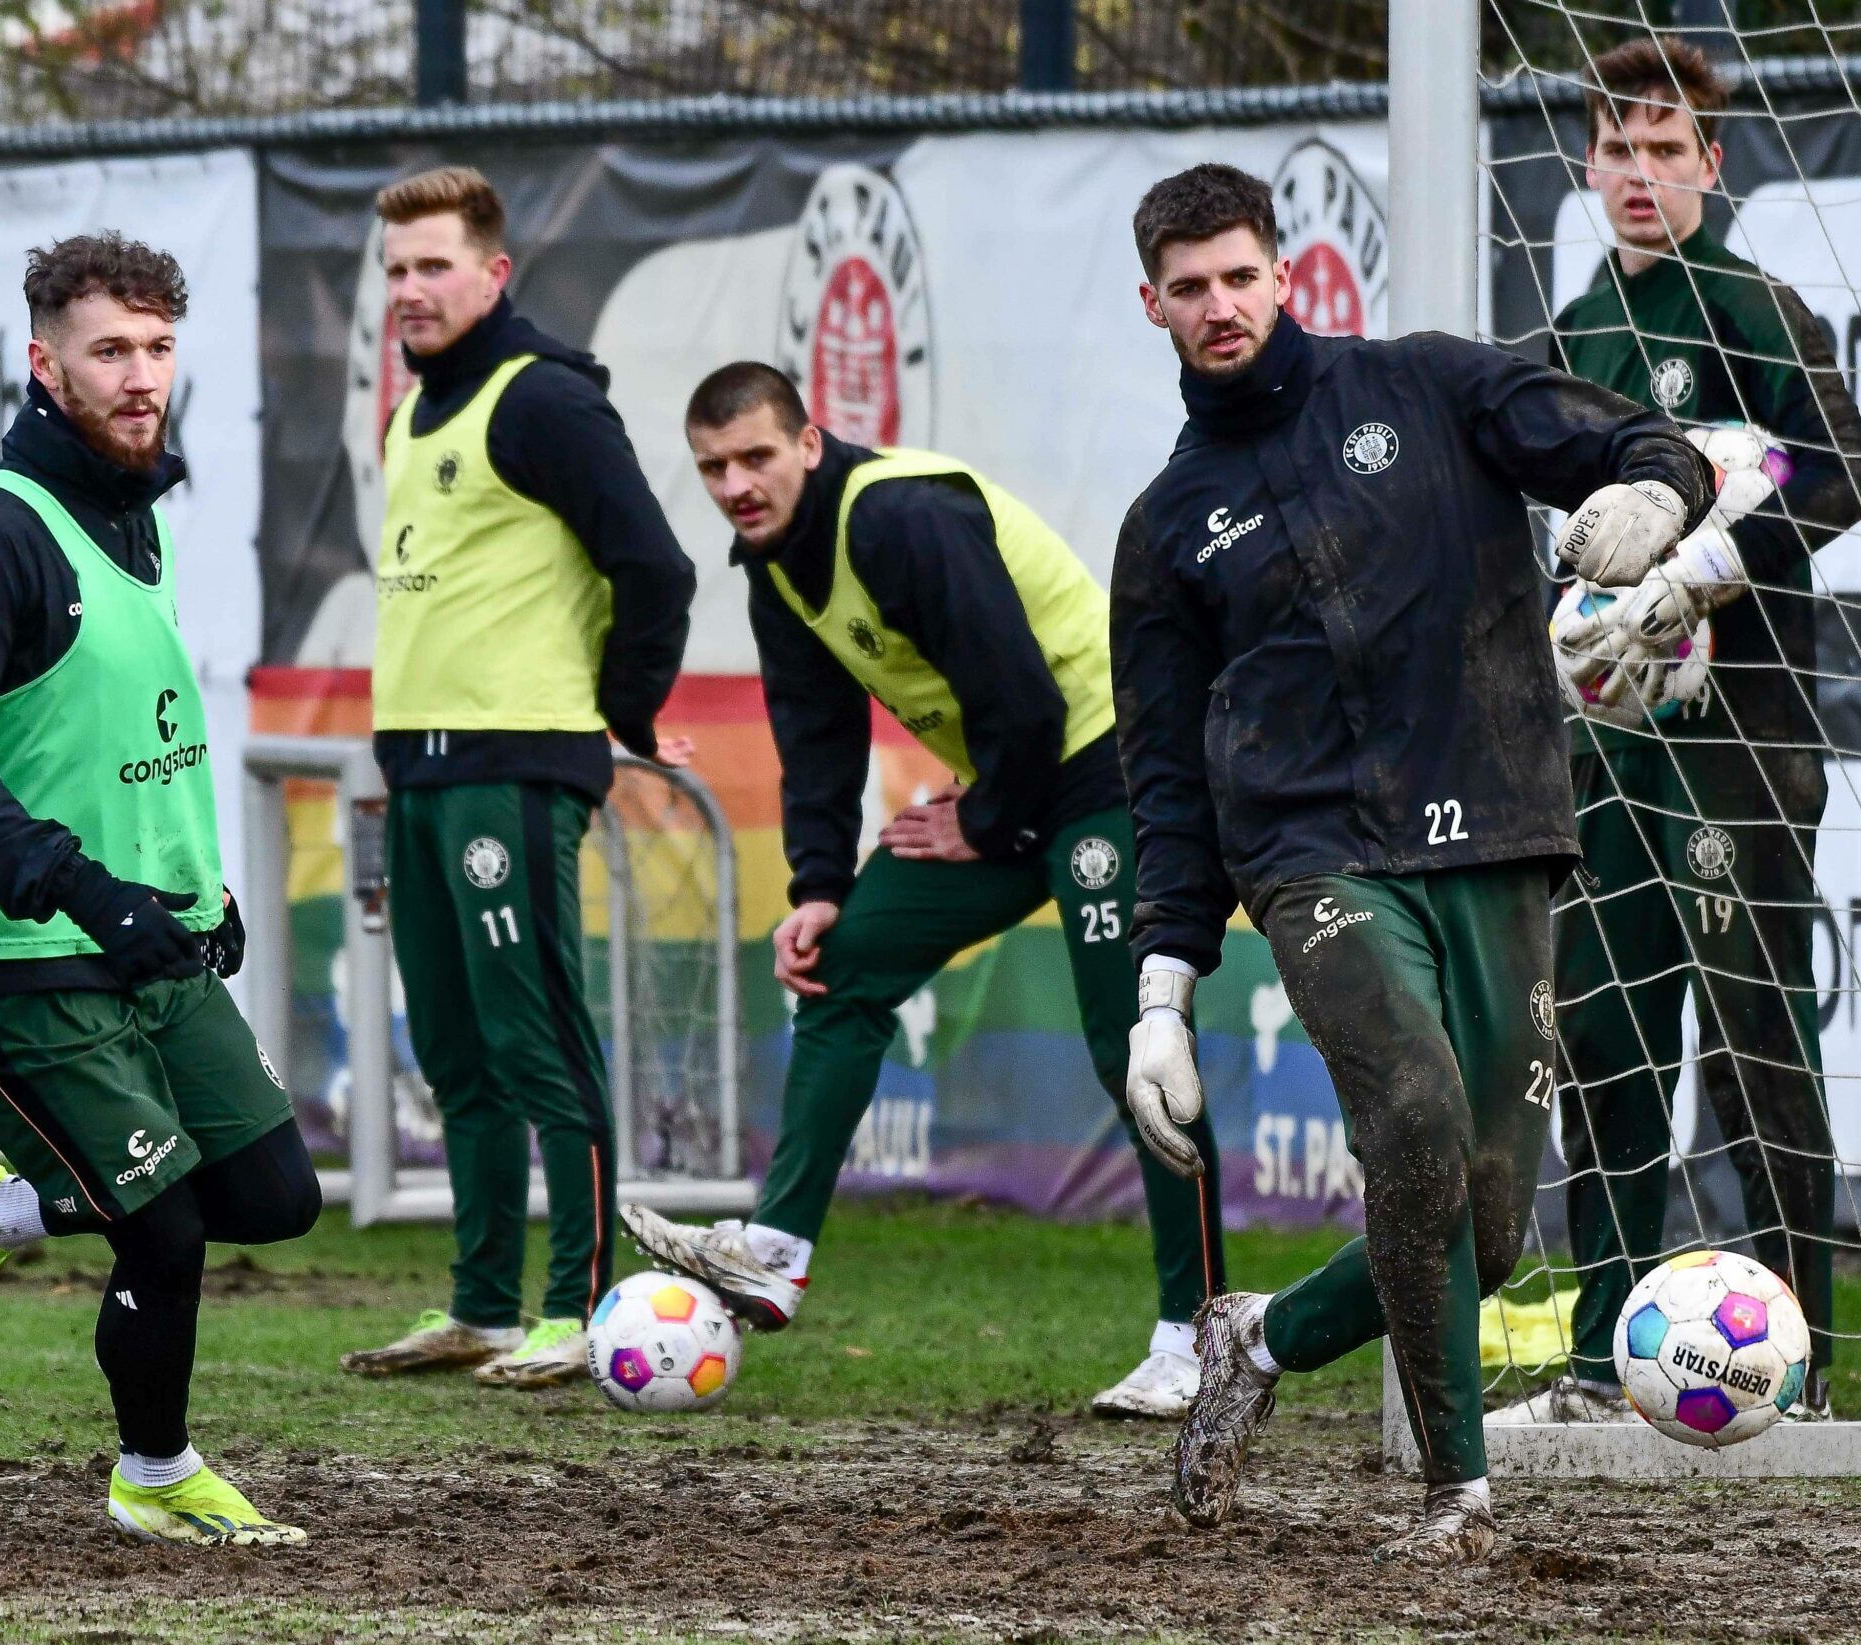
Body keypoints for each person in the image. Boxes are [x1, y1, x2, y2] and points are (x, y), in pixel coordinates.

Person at [1112, 163, 1712, 1560]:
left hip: (1499, 823)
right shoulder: (1166, 528)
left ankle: (1260, 1338)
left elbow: (1642, 444)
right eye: (1188, 288)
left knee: (1484, 1227)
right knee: (1419, 1120)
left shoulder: (1430, 387)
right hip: (1312, 853)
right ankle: (1460, 1498)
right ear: (1156, 304)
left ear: (1285, 275)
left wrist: (1654, 499)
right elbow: (1164, 776)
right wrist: (1162, 983)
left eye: (1238, 276)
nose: (1219, 306)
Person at [623, 363, 1227, 1421]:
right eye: (714, 466)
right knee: (842, 957)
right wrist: (815, 887)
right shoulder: (773, 566)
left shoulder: (904, 515)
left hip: (1105, 769)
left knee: (1131, 1048)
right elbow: (815, 741)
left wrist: (982, 818)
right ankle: (773, 1249)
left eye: (756, 455)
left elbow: (1027, 702)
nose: (736, 483)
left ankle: (1203, 1332)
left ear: (810, 443)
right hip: (1015, 785)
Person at [1488, 36, 1861, 1428]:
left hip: (1743, 747)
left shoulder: (1753, 307)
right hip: (1607, 755)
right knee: (1603, 1037)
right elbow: (1541, 535)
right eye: (1619, 147)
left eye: (1669, 150)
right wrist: (1571, 617)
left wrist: (1699, 573)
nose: (1642, 173)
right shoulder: (1578, 331)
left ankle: (1804, 1365)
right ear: (1589, 162)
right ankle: (1601, 1357)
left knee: (1759, 1043)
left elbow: (1851, 471)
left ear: (1712, 167)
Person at [0, 234, 319, 1545]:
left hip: (153, 943)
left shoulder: (127, 514)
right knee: (170, 1225)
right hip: (19, 964)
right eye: (109, 351)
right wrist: (85, 892)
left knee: (275, 1199)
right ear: (45, 363)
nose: (140, 377)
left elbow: (126, 737)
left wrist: (196, 897)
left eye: (156, 349)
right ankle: (155, 1472)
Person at [339, 166, 697, 1390]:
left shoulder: (541, 400)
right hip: (422, 772)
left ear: (494, 272)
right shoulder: (408, 417)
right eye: (393, 270)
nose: (409, 290)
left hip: (516, 769)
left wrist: (618, 712)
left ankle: (579, 1304)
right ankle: (482, 1305)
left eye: (432, 265)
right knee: (456, 1050)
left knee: (539, 1041)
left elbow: (654, 568)